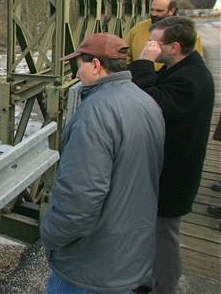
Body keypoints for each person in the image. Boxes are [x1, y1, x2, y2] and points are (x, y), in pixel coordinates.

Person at [41, 33, 165, 293]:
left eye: (80, 66)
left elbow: (81, 197)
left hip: (90, 266)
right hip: (131, 252)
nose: (76, 75)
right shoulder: (146, 102)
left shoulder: (95, 114)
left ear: (96, 65)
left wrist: (51, 234)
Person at [129, 16, 215, 294]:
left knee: (165, 237)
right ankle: (148, 281)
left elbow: (150, 103)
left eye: (155, 42)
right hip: (169, 168)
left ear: (175, 46)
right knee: (155, 232)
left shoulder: (191, 79)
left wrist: (143, 63)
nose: (150, 45)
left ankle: (164, 288)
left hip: (175, 174)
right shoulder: (184, 69)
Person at [126, 0, 203, 69]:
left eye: (159, 11)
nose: (153, 14)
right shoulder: (138, 28)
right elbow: (125, 55)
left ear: (172, 11)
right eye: (152, 10)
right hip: (140, 78)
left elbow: (195, 64)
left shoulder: (187, 33)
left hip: (173, 79)